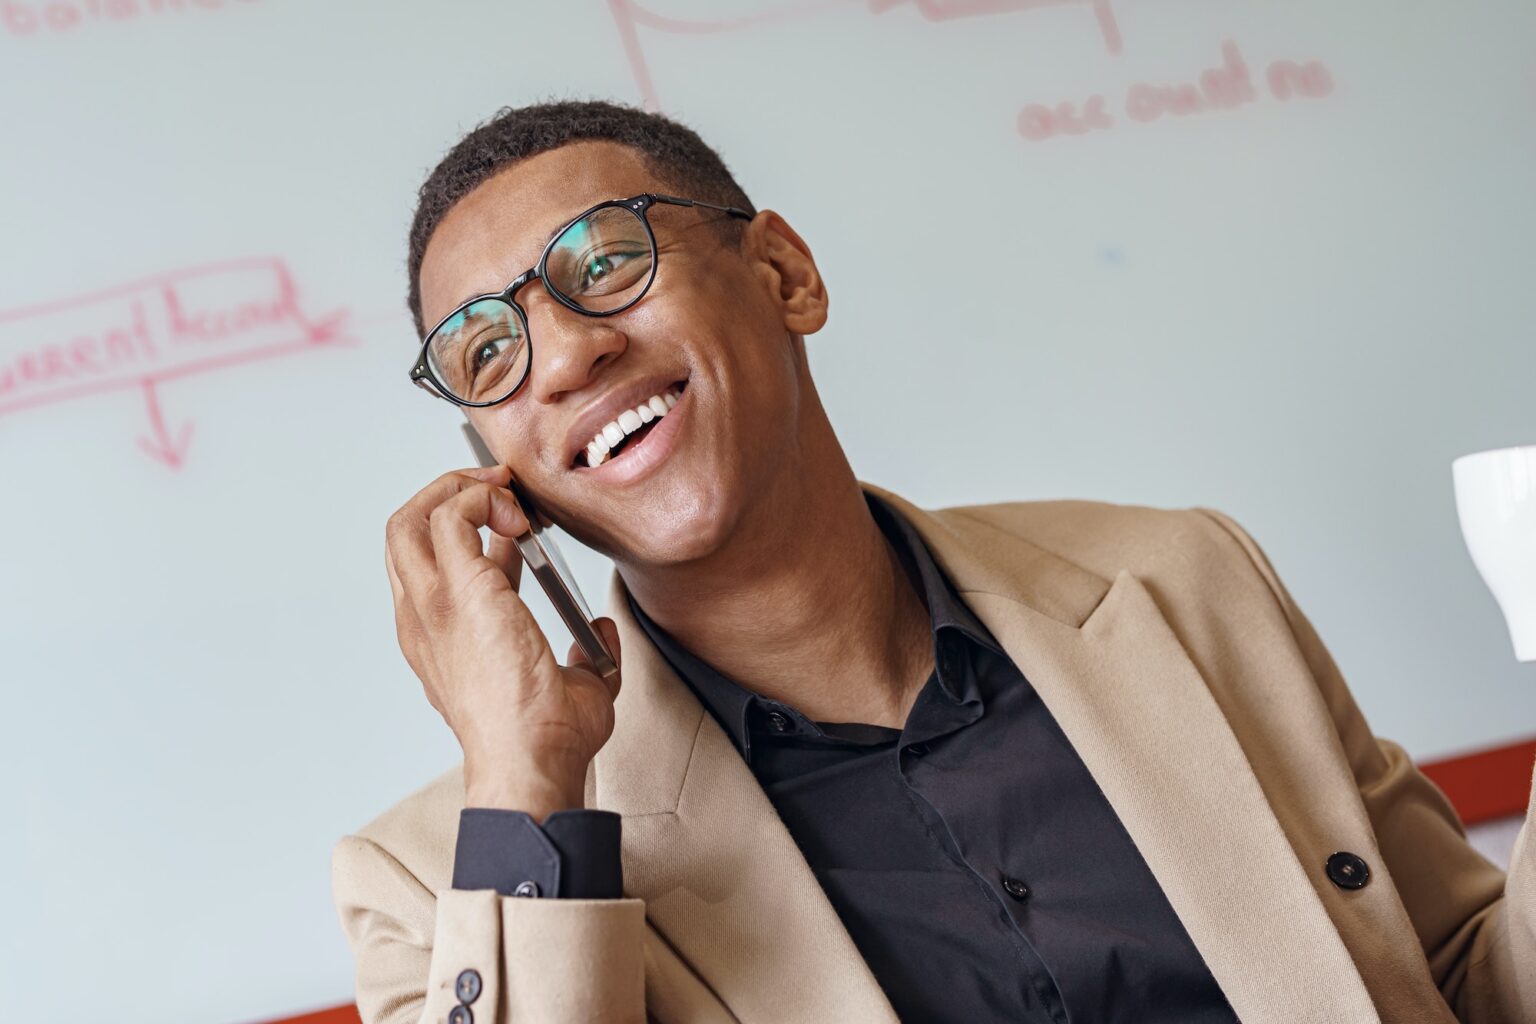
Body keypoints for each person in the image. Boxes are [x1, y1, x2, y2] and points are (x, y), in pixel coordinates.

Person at [330, 98, 1534, 1024]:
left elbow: (1470, 985)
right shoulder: (444, 881)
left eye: (605, 264)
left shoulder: (1178, 579)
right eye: (486, 352)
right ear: (498, 463)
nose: (564, 357)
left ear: (784, 275)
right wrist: (529, 776)